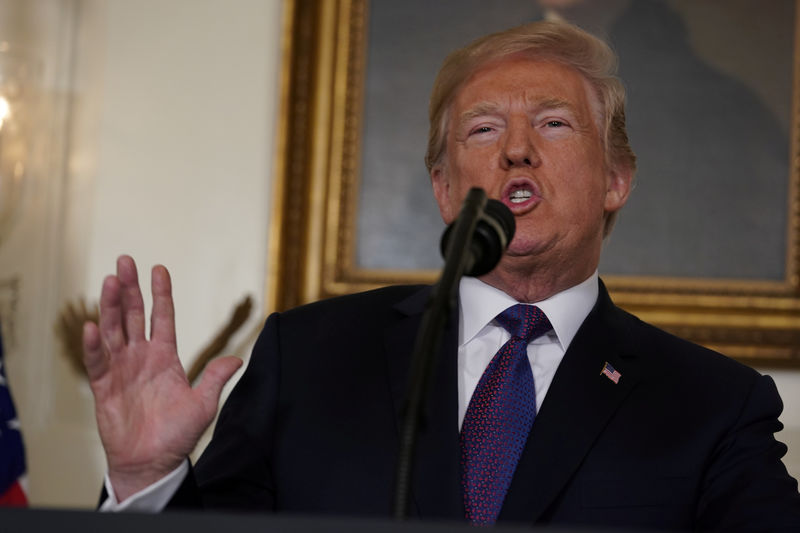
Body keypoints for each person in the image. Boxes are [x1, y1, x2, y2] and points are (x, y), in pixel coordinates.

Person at [83, 21, 800, 529]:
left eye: (553, 124)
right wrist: (148, 480)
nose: (517, 149)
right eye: (484, 130)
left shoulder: (713, 405)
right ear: (445, 189)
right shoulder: (308, 357)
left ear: (617, 178)